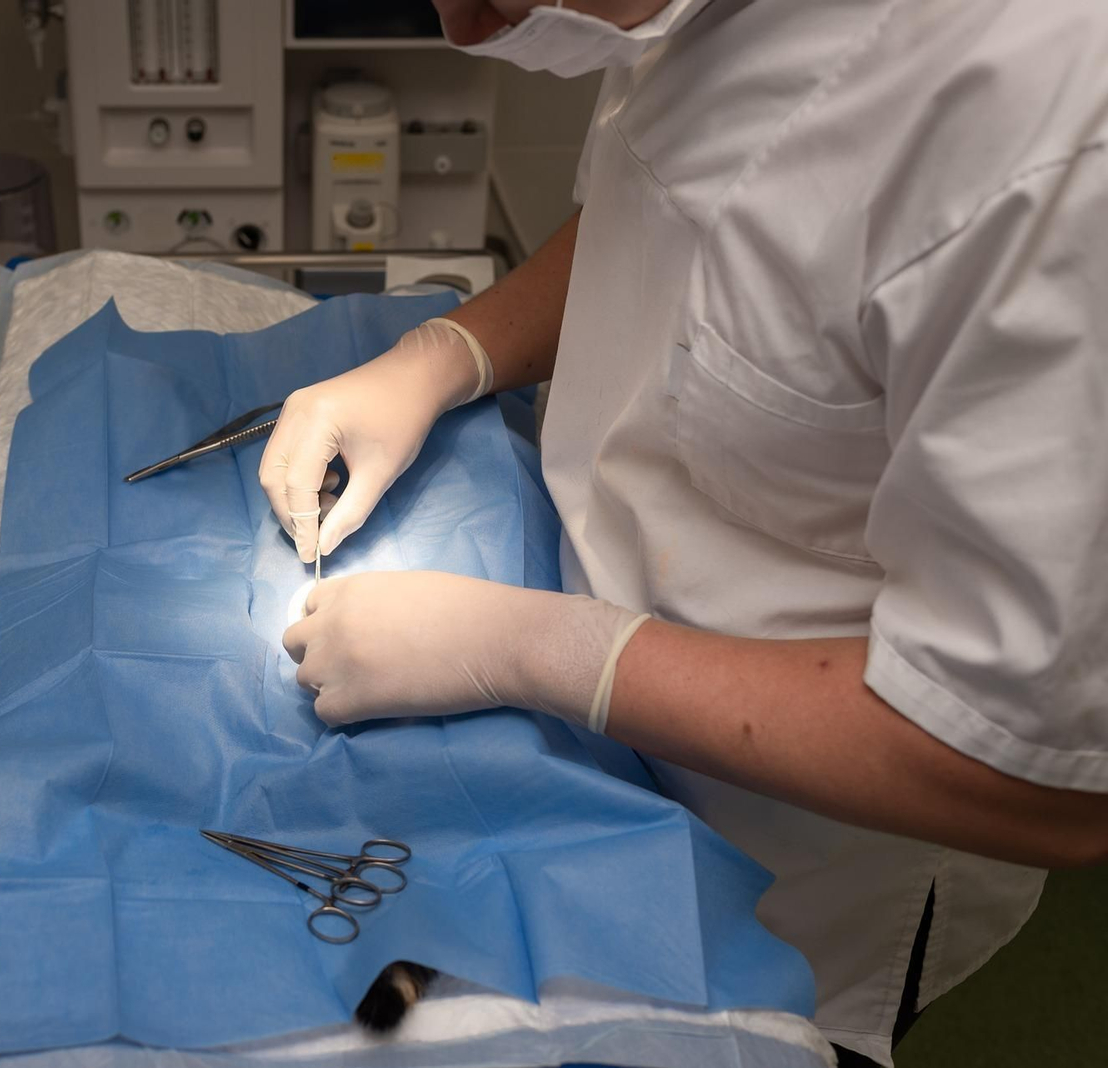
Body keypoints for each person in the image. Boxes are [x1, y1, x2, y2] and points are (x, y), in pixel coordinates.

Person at [262, 1, 1108, 1064]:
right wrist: (450, 351)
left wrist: (535, 647)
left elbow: (1030, 773)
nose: (463, 28)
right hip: (587, 745)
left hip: (795, 861)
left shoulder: (1057, 140)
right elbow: (694, 208)